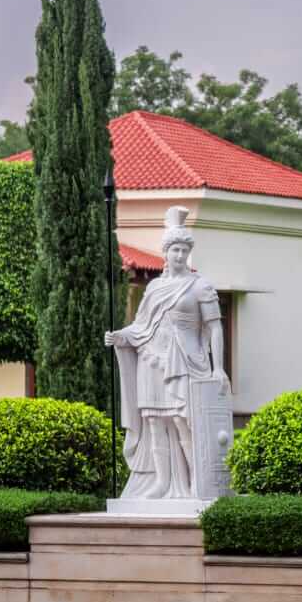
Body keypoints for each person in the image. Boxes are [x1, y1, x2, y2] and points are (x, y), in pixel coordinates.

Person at [104, 206, 229, 500]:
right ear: (166, 252)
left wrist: (218, 367)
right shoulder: (155, 287)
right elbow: (141, 325)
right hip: (151, 359)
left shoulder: (201, 286)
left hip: (185, 360)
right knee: (154, 422)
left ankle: (194, 483)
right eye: (174, 249)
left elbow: (215, 329)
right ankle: (162, 483)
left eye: (184, 249)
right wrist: (121, 336)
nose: (179, 255)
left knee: (182, 421)